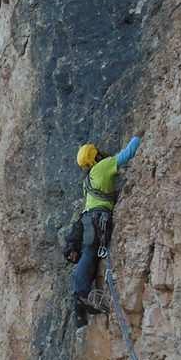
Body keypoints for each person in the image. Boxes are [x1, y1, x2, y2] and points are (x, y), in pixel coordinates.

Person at [67, 134, 141, 328]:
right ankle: (81, 296)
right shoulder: (102, 167)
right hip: (97, 219)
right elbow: (128, 154)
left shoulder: (88, 180)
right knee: (90, 254)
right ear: (96, 156)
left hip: (87, 220)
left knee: (88, 255)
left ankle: (81, 304)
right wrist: (137, 137)